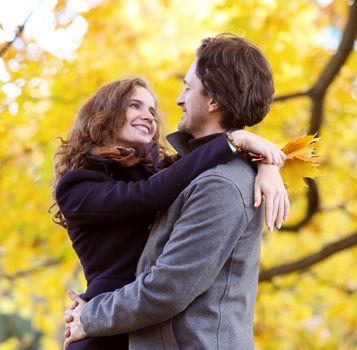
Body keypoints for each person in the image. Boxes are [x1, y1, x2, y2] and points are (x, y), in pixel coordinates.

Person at [63, 34, 284, 349]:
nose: (178, 100)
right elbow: (151, 191)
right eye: (135, 105)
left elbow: (166, 290)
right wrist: (258, 156)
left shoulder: (218, 184)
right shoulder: (183, 173)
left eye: (187, 87)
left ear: (213, 100)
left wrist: (91, 317)